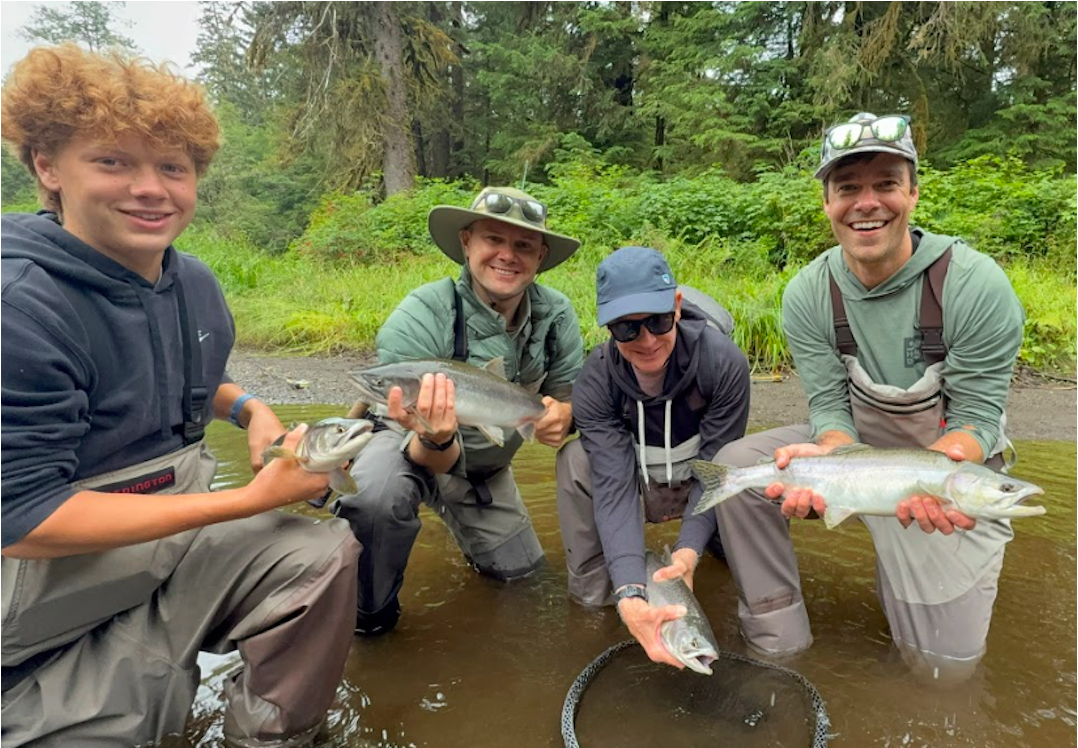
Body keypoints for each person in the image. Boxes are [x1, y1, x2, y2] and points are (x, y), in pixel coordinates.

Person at [0, 45, 361, 747]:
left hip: (161, 551)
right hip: (37, 611)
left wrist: (250, 410)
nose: (151, 189)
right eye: (113, 161)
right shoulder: (20, 307)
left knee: (322, 556)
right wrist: (249, 500)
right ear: (48, 167)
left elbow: (185, 378)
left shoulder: (190, 281)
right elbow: (21, 519)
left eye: (172, 167)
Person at [708, 112, 1025, 681]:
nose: (867, 203)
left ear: (913, 193)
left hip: (947, 462)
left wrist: (940, 473)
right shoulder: (808, 292)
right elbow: (830, 408)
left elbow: (978, 418)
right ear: (827, 203)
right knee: (738, 467)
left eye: (886, 184)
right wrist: (832, 452)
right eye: (848, 187)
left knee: (944, 672)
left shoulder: (975, 284)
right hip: (856, 454)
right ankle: (778, 638)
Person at [333, 187, 584, 634]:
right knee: (375, 501)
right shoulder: (421, 313)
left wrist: (565, 417)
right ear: (467, 242)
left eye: (523, 245)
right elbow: (430, 454)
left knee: (524, 580)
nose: (507, 255)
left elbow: (570, 399)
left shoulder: (556, 316)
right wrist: (436, 435)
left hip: (484, 468)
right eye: (493, 239)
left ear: (540, 256)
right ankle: (368, 621)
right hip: (407, 445)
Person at [556, 246, 751, 668]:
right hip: (638, 482)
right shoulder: (595, 380)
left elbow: (717, 470)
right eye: (627, 328)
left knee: (745, 461)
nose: (646, 341)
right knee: (576, 459)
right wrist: (629, 589)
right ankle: (598, 604)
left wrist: (688, 551)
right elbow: (613, 485)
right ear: (607, 326)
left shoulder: (723, 363)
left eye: (658, 321)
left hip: (704, 479)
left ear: (676, 306)